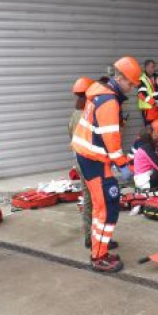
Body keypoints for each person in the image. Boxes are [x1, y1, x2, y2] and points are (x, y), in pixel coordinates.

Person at [72, 56, 141, 272]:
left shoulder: (99, 93)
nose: (131, 88)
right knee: (107, 208)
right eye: (130, 84)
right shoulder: (109, 101)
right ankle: (99, 257)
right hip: (95, 160)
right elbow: (111, 139)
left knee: (103, 206)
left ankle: (99, 249)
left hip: (90, 158)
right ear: (120, 78)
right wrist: (123, 164)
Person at [69, 76, 95, 248]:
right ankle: (98, 239)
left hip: (79, 163)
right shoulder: (89, 115)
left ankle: (89, 236)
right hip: (91, 164)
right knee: (98, 202)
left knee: (87, 200)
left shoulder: (73, 116)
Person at [138, 59, 158, 151]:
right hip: (148, 110)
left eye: (153, 67)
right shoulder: (142, 79)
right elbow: (142, 94)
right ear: (146, 67)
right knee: (151, 132)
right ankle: (153, 152)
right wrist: (155, 103)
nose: (152, 69)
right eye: (150, 67)